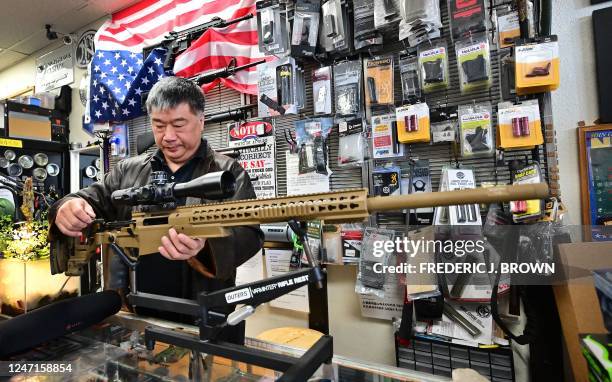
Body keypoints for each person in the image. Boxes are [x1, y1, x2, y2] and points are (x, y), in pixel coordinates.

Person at [49, 76, 264, 343]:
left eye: (179, 124)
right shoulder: (128, 170)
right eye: (159, 125)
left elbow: (250, 234)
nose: (168, 136)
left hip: (203, 317)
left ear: (201, 122)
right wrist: (67, 206)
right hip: (134, 315)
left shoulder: (228, 173)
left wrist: (205, 247)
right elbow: (93, 198)